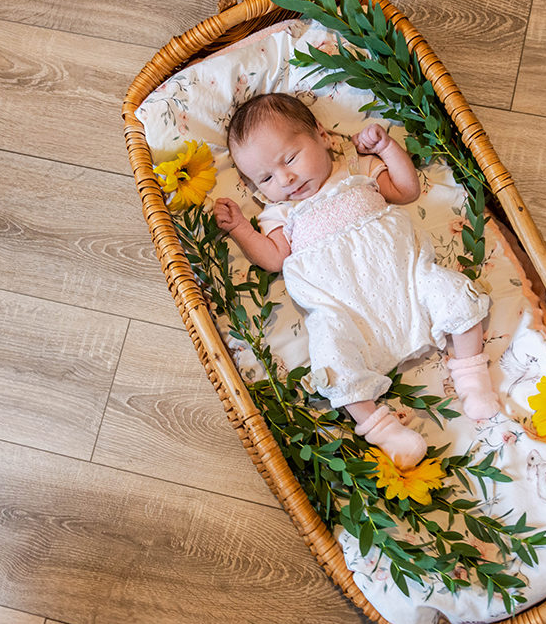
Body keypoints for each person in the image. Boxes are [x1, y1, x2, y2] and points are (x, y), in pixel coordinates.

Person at [214, 93, 499, 469]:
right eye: (265, 178)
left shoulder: (355, 168)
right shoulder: (280, 213)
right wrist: (239, 229)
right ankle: (382, 428)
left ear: (322, 135)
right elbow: (273, 260)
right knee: (330, 356)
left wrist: (387, 148)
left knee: (454, 295)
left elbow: (406, 190)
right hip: (345, 312)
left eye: (290, 158)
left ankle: (471, 376)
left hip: (406, 281)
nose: (285, 178)